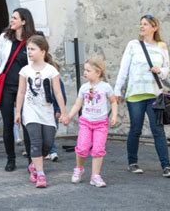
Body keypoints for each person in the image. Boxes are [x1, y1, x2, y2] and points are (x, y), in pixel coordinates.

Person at [114, 15, 170, 178]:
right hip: (135, 94)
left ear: (154, 27)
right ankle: (133, 162)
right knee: (136, 128)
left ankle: (166, 166)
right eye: (140, 23)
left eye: (146, 24)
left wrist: (160, 70)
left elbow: (166, 69)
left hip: (154, 93)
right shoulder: (133, 45)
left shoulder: (162, 46)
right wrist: (117, 90)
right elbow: (124, 69)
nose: (141, 27)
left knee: (158, 129)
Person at [0, 8, 37, 172]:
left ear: (24, 21)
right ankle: (11, 159)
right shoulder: (4, 37)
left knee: (27, 123)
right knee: (8, 124)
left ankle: (31, 160)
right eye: (12, 17)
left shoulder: (33, 40)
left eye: (15, 18)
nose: (11, 20)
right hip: (6, 86)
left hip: (26, 87)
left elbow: (39, 61)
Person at [15, 35, 67, 188]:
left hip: (47, 111)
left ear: (42, 51)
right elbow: (21, 92)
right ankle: (41, 174)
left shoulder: (51, 70)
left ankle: (34, 165)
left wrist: (63, 112)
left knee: (48, 143)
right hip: (30, 111)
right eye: (28, 49)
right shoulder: (25, 70)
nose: (29, 52)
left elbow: (58, 93)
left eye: (32, 49)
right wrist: (18, 112)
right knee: (36, 142)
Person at [64, 56, 118, 187]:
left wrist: (114, 116)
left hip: (101, 124)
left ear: (98, 72)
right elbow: (78, 104)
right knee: (82, 148)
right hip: (86, 123)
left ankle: (95, 176)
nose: (84, 73)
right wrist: (69, 116)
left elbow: (113, 101)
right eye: (84, 70)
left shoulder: (105, 87)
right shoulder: (83, 88)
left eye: (88, 70)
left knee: (98, 149)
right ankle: (79, 169)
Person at [45, 61, 67, 162]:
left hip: (54, 111)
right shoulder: (45, 81)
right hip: (45, 111)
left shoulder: (58, 82)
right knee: (46, 133)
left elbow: (62, 96)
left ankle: (51, 151)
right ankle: (49, 151)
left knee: (52, 132)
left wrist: (59, 110)